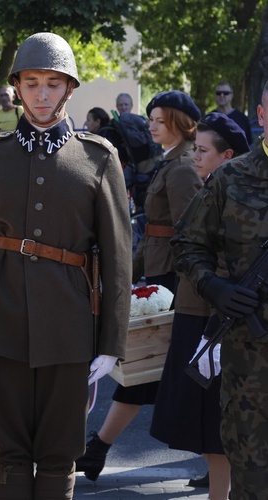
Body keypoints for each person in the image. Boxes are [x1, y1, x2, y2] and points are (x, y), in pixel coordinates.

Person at [0, 32, 132, 498]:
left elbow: (117, 258)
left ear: (69, 89)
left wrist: (111, 341)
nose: (42, 93)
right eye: (31, 82)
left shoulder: (98, 157)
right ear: (18, 87)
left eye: (53, 83)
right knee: (9, 450)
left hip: (70, 322)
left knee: (58, 452)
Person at [77, 90, 204, 481]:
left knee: (179, 375)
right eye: (151, 118)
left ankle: (220, 462)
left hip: (174, 283)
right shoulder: (171, 163)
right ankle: (97, 450)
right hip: (160, 275)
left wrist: (176, 281)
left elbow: (189, 232)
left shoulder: (181, 167)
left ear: (180, 126)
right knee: (140, 370)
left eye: (159, 120)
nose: (150, 125)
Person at [171, 79, 268, 500]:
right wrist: (214, 287)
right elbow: (188, 244)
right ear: (262, 115)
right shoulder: (232, 177)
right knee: (252, 481)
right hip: (251, 367)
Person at [148, 112, 249, 500]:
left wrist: (214, 326)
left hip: (212, 319)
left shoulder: (229, 194)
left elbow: (222, 260)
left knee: (218, 425)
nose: (195, 156)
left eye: (204, 151)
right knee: (207, 428)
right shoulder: (211, 187)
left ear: (228, 156)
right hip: (196, 313)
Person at [211, 81, 253, 147]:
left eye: (226, 93)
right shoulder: (209, 118)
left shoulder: (242, 119)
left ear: (232, 95)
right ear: (215, 95)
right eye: (218, 93)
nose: (222, 95)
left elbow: (249, 144)